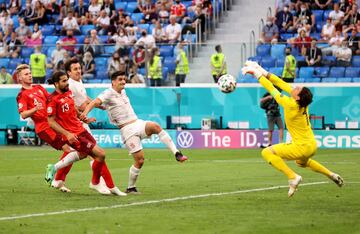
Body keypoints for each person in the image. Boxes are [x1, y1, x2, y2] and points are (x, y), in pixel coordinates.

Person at [241, 61, 344, 197]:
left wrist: (255, 74)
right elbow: (281, 83)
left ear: (297, 96)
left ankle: (292, 177)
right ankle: (331, 174)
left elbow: (272, 88)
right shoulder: (302, 102)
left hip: (301, 147)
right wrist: (259, 68)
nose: (294, 88)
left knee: (267, 152)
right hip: (312, 145)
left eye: (297, 89)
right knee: (301, 162)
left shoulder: (290, 104)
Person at [80, 71, 188, 194]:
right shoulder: (108, 93)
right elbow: (94, 102)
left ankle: (177, 153)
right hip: (127, 130)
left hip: (137, 123)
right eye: (120, 79)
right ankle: (131, 187)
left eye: (124, 79)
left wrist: (106, 107)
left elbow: (106, 106)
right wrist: (84, 114)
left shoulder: (123, 92)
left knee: (156, 126)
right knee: (140, 160)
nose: (123, 82)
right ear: (113, 82)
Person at [45, 71, 125, 196]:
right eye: (64, 81)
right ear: (56, 84)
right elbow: (50, 122)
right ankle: (96, 182)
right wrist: (67, 134)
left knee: (83, 154)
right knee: (100, 154)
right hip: (73, 134)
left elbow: (73, 110)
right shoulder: (52, 99)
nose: (67, 83)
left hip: (81, 128)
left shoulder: (68, 93)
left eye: (67, 80)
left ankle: (54, 167)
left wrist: (84, 118)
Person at [16, 64, 78, 193]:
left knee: (73, 149)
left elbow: (51, 99)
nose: (30, 75)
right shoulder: (22, 95)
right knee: (70, 150)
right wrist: (35, 109)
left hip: (53, 123)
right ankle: (57, 178)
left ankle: (58, 180)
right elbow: (23, 114)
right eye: (26, 74)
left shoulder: (39, 88)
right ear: (20, 78)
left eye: (30, 73)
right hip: (44, 128)